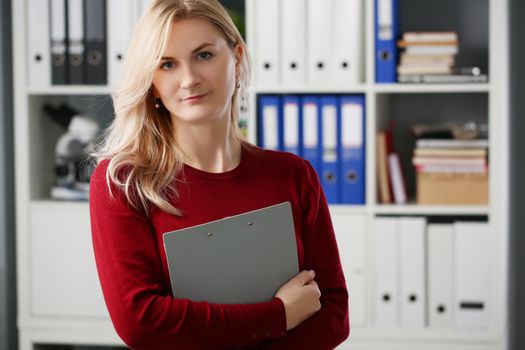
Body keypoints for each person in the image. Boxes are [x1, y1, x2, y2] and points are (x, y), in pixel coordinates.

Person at [89, 0, 349, 349]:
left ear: (237, 59)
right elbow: (141, 323)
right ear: (151, 82)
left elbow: (333, 313)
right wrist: (278, 316)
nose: (189, 79)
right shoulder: (123, 184)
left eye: (204, 55)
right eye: (167, 64)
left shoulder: (292, 174)